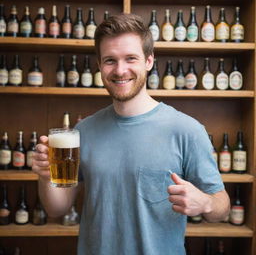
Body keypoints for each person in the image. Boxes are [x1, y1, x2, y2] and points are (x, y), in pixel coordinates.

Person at [32, 13, 230, 255]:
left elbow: (223, 206)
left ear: (149, 61)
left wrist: (206, 202)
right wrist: (44, 176)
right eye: (110, 61)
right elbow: (57, 208)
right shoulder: (82, 132)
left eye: (130, 58)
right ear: (99, 65)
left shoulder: (187, 130)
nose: (120, 70)